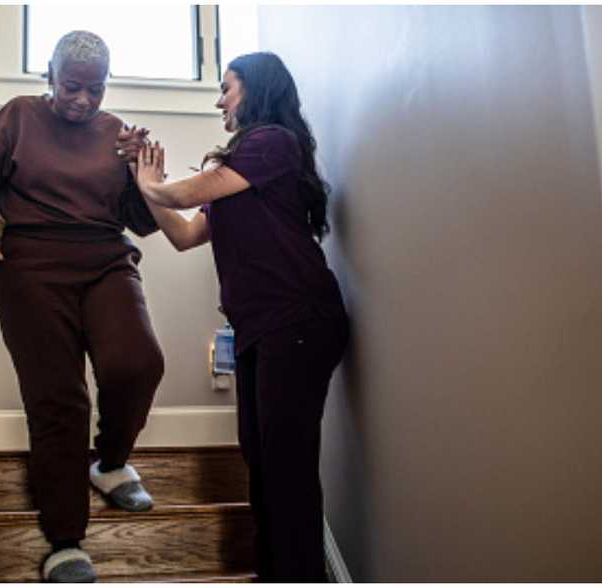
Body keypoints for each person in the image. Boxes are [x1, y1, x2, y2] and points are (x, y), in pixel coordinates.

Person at [125, 51, 349, 582]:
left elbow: (180, 192)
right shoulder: (241, 171)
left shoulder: (272, 143)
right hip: (259, 328)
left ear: (258, 89)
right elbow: (182, 235)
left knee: (286, 461)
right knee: (260, 454)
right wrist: (143, 182)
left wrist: (152, 184)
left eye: (227, 87)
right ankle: (273, 571)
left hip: (298, 318)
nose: (219, 98)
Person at [0, 31, 164, 583]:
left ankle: (110, 464)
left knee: (137, 362)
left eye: (95, 89)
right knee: (59, 400)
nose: (84, 101)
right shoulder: (17, 117)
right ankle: (65, 540)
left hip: (105, 260)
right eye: (73, 86)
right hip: (31, 267)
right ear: (49, 75)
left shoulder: (115, 132)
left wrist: (139, 169)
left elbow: (140, 220)